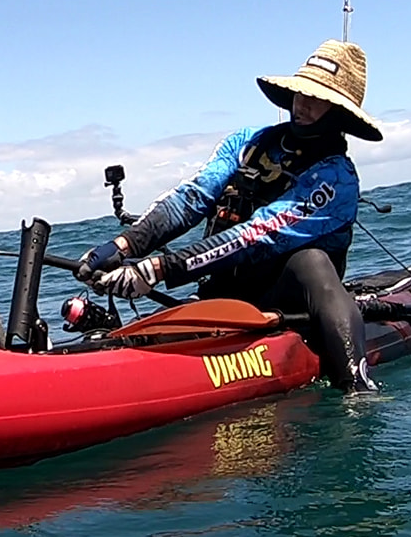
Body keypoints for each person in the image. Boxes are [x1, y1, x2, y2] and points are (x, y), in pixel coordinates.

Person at [77, 39, 385, 392]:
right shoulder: (246, 142)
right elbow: (192, 198)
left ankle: (357, 390)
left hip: (283, 304)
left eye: (318, 99)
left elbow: (256, 235)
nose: (303, 104)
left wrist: (157, 269)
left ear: (339, 113)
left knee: (311, 262)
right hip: (222, 298)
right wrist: (124, 245)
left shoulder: (336, 178)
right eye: (302, 93)